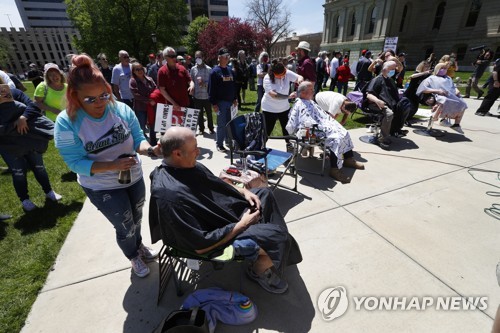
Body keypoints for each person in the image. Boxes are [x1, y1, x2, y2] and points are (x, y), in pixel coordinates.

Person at [149, 126, 302, 294]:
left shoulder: (189, 166)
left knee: (264, 194)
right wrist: (243, 224)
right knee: (280, 237)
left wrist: (244, 192)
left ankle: (270, 248)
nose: (198, 152)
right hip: (215, 234)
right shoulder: (169, 195)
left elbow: (216, 183)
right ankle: (259, 269)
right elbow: (200, 246)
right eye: (195, 149)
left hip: (222, 213)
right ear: (177, 153)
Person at [54, 54, 161, 278]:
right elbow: (74, 163)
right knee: (124, 224)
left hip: (133, 176)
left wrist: (150, 149)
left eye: (103, 95)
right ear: (75, 97)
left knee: (137, 217)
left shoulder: (121, 110)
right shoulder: (67, 122)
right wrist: (112, 165)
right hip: (101, 186)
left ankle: (139, 246)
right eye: (90, 99)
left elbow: (138, 137)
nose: (100, 103)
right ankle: (132, 255)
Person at [0, 81, 62, 211]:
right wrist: (13, 125)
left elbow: (33, 106)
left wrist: (23, 117)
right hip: (8, 146)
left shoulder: (14, 93)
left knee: (39, 167)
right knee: (18, 173)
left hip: (29, 139)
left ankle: (49, 191)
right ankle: (25, 199)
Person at [287, 82, 364, 184]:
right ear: (304, 92)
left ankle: (348, 159)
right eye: (311, 90)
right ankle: (334, 169)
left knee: (344, 132)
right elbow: (299, 123)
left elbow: (323, 116)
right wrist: (323, 126)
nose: (314, 91)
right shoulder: (299, 104)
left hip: (323, 126)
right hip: (312, 131)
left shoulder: (311, 102)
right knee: (336, 138)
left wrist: (331, 124)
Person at [261, 60, 303, 149]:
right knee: (267, 129)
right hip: (269, 108)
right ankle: (261, 145)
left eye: (284, 74)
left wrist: (299, 81)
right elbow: (274, 95)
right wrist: (288, 97)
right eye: (280, 76)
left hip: (284, 108)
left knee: (287, 127)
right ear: (274, 73)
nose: (283, 76)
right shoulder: (267, 78)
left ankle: (288, 144)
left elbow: (299, 77)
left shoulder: (286, 73)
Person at [417, 62, 467, 134]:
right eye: (442, 68)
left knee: (462, 103)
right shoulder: (431, 78)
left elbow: (453, 87)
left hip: (449, 95)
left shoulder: (448, 78)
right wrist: (437, 91)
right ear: (437, 69)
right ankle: (438, 118)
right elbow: (423, 89)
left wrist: (456, 90)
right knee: (444, 100)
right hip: (435, 95)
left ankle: (456, 124)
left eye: (445, 68)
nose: (444, 70)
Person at [365, 61, 406, 148]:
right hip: (376, 103)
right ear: (385, 69)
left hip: (388, 103)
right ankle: (382, 138)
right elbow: (368, 94)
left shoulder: (390, 80)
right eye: (392, 69)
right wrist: (377, 101)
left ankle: (395, 130)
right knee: (389, 114)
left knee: (403, 107)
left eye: (394, 69)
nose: (394, 71)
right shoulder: (377, 79)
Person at [208, 47, 237, 152]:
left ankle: (229, 142)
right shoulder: (214, 72)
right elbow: (211, 89)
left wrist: (235, 98)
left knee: (230, 123)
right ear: (219, 58)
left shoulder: (230, 70)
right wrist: (214, 104)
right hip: (220, 103)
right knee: (221, 124)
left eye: (228, 56)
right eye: (225, 56)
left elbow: (234, 86)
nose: (227, 58)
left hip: (230, 102)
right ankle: (219, 144)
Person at [157, 47, 194, 111]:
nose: (174, 58)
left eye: (174, 56)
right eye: (171, 56)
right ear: (165, 57)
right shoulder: (162, 71)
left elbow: (190, 81)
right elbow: (162, 90)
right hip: (172, 107)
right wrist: (174, 103)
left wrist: (192, 86)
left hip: (185, 104)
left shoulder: (182, 68)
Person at [129, 62, 156, 139]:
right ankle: (142, 142)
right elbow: (136, 95)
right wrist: (148, 100)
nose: (140, 71)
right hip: (140, 108)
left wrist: (153, 99)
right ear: (133, 71)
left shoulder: (149, 79)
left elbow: (155, 89)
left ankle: (153, 141)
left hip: (151, 106)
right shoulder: (133, 81)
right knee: (142, 126)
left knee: (153, 125)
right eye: (137, 69)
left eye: (141, 68)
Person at [190, 50, 214, 135]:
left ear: (203, 57)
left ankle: (211, 128)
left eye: (199, 57)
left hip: (206, 95)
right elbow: (191, 80)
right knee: (199, 114)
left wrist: (204, 84)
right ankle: (201, 129)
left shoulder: (208, 69)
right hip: (197, 96)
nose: (198, 59)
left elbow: (212, 83)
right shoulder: (193, 69)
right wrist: (191, 86)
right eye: (196, 57)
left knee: (209, 113)